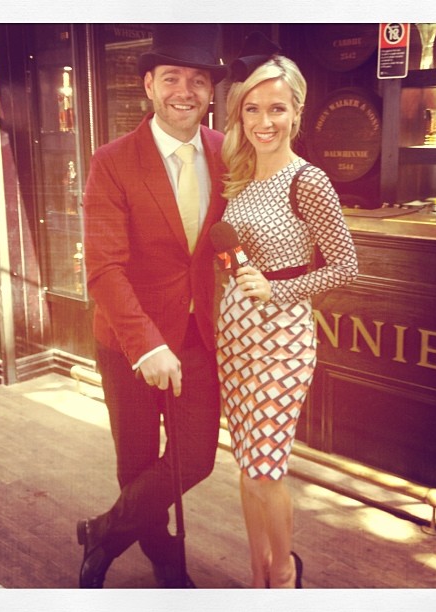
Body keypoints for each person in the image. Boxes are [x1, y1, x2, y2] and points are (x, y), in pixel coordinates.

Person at [78, 24, 228, 588]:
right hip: (129, 341)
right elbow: (103, 268)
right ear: (149, 85)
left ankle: (103, 532)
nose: (184, 91)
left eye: (197, 80)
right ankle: (162, 551)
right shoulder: (113, 161)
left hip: (199, 336)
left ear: (210, 91)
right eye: (171, 78)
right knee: (137, 461)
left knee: (196, 458)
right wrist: (147, 346)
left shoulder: (227, 153)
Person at [216, 32, 358, 588]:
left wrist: (278, 290)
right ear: (240, 113)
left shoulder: (308, 180)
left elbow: (345, 266)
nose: (264, 121)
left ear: (297, 111)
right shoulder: (239, 174)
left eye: (276, 108)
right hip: (235, 335)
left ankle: (282, 577)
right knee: (245, 464)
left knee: (265, 468)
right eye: (252, 108)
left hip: (283, 340)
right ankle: (257, 575)